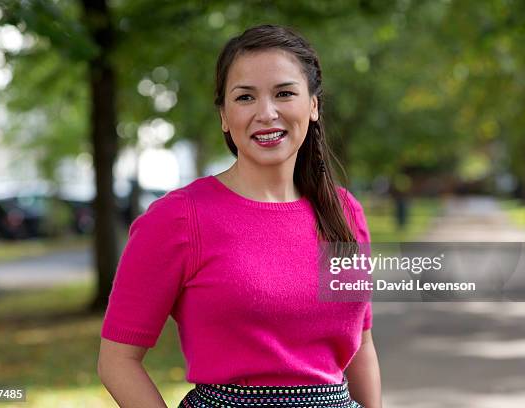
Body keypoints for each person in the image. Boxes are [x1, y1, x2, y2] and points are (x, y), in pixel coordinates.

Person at [97, 24, 382, 408]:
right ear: (224, 116)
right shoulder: (177, 219)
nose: (266, 113)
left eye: (284, 93)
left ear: (313, 105)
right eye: (245, 97)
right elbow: (117, 360)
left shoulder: (345, 211)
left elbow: (361, 346)